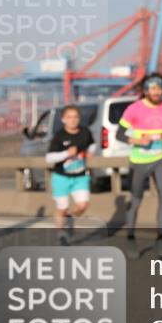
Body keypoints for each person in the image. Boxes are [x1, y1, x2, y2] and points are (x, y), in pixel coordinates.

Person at [116, 73, 162, 259]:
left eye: (160, 88)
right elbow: (119, 134)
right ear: (145, 90)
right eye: (153, 88)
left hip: (160, 159)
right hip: (139, 162)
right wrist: (138, 141)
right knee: (136, 201)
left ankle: (160, 240)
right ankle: (130, 238)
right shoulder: (134, 109)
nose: (157, 92)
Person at [44, 105, 95, 245]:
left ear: (79, 118)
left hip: (80, 176)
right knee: (62, 207)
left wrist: (90, 152)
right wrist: (66, 153)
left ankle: (70, 218)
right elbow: (49, 158)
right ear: (63, 119)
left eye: (75, 117)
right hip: (61, 177)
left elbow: (92, 144)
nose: (73, 120)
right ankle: (60, 234)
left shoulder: (85, 132)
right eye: (69, 117)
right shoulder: (59, 136)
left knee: (83, 205)